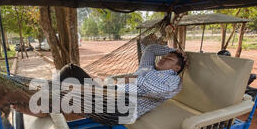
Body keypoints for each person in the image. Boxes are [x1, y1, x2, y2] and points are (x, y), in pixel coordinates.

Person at [58, 43, 186, 122]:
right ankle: (48, 101)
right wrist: (173, 50)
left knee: (73, 86)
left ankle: (47, 103)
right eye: (163, 57)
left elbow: (163, 93)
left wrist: (135, 79)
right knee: (71, 70)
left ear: (177, 68)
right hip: (111, 94)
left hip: (123, 108)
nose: (163, 59)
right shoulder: (147, 67)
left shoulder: (174, 80)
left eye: (169, 59)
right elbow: (151, 49)